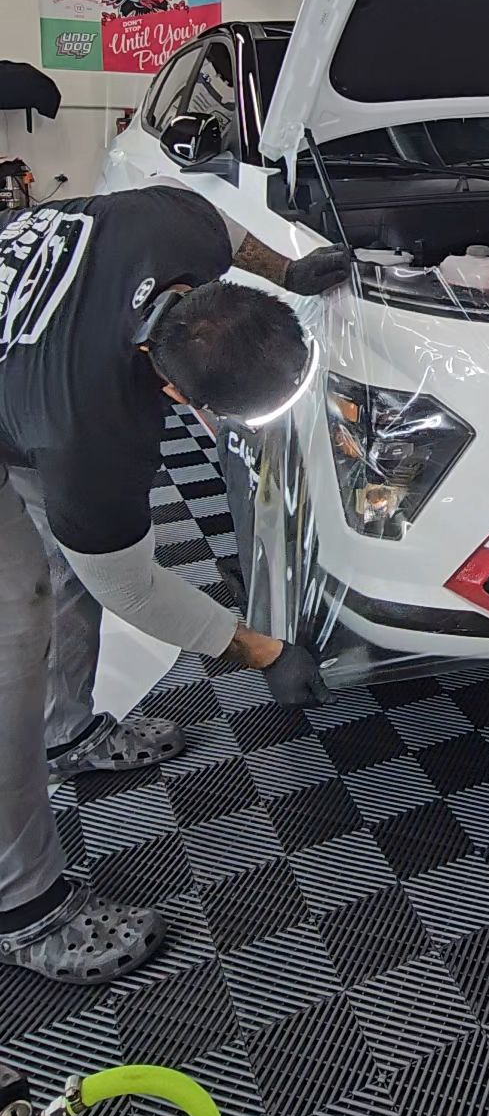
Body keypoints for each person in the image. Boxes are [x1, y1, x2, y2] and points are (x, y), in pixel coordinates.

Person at [0, 183, 350, 985]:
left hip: (22, 368)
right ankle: (23, 908)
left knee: (67, 565)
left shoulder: (175, 224)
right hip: (29, 382)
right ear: (179, 398)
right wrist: (262, 651)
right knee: (15, 624)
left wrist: (291, 269)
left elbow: (225, 224)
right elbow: (135, 588)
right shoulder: (91, 431)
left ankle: (68, 734)